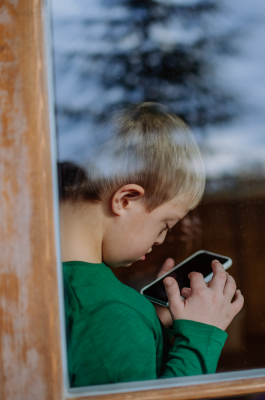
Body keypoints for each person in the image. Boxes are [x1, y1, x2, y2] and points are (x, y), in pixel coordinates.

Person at [59, 102, 244, 387]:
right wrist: (200, 335)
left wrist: (152, 321)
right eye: (165, 225)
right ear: (125, 200)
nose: (161, 240)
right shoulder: (113, 312)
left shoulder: (46, 281)